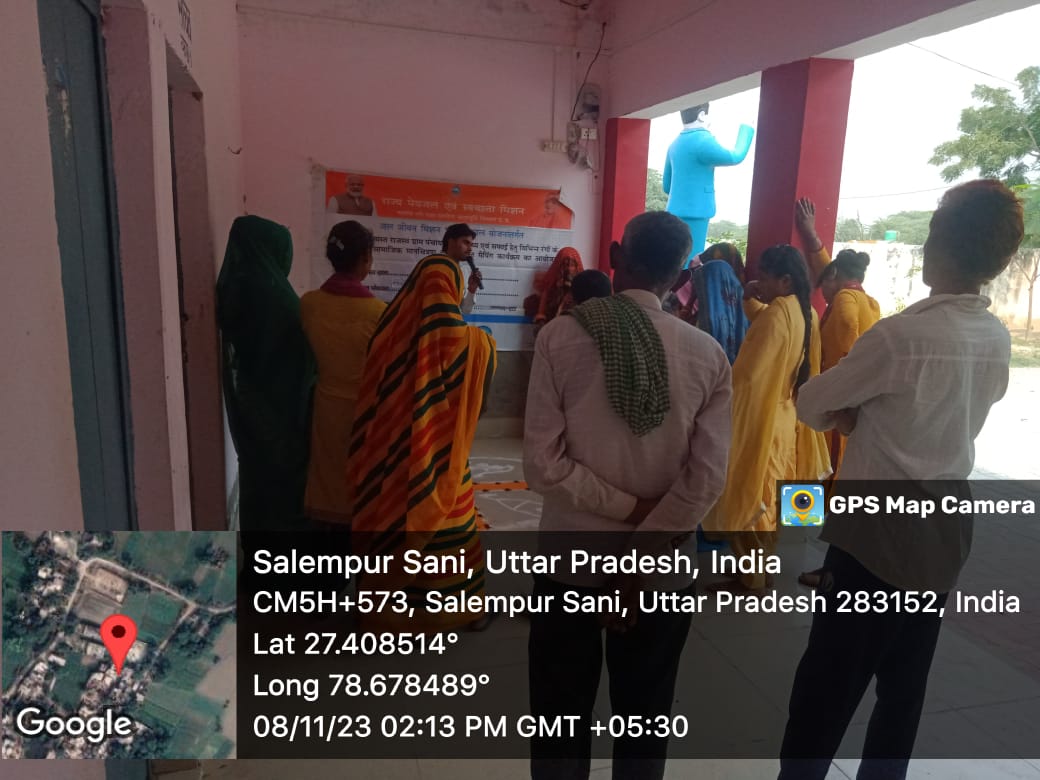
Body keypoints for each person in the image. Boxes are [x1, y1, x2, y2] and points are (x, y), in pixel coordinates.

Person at [779, 180, 1025, 780]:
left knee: (827, 687)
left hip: (876, 535)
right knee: (903, 689)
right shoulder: (994, 337)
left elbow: (811, 402)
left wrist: (855, 415)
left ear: (937, 242)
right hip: (944, 530)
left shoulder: (900, 336)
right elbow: (963, 410)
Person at [524, 211, 733, 780]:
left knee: (558, 717)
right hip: (662, 574)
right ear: (682, 273)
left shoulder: (560, 337)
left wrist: (626, 512)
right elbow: (707, 479)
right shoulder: (708, 355)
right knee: (645, 718)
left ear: (616, 257)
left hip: (569, 564)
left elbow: (542, 465)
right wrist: (641, 554)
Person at [344, 225, 497, 632]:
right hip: (437, 444)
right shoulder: (456, 338)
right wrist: (483, 342)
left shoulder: (390, 328)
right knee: (446, 513)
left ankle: (387, 606)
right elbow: (463, 352)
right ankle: (456, 609)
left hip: (391, 443)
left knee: (395, 509)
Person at [702, 244, 831, 593]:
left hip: (764, 420)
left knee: (750, 494)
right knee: (770, 498)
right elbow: (771, 325)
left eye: (765, 276)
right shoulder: (804, 311)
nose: (759, 281)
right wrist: (749, 300)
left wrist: (720, 409)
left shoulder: (778, 314)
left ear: (785, 280)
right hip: (787, 419)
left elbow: (747, 377)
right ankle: (762, 570)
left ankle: (753, 580)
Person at [216, 215, 315, 531]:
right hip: (282, 410)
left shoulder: (234, 289)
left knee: (256, 479)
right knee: (285, 491)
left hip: (248, 402)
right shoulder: (277, 299)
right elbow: (301, 360)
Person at [300, 221, 387, 525]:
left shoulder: (309, 304)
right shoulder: (379, 312)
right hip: (367, 411)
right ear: (365, 259)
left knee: (326, 477)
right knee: (361, 480)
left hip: (325, 406)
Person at [664, 103, 754, 262]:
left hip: (674, 209)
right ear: (701, 115)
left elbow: (666, 185)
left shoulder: (674, 144)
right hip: (697, 210)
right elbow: (734, 157)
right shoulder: (703, 140)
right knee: (692, 258)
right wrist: (747, 128)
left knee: (675, 256)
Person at [527, 247, 584, 326]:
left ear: (577, 267)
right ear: (559, 266)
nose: (568, 269)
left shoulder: (582, 286)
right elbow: (542, 310)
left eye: (572, 265)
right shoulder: (551, 284)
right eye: (565, 265)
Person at [438, 223, 483, 314]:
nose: (470, 249)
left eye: (471, 245)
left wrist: (471, 290)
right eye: (466, 243)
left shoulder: (463, 271)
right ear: (451, 242)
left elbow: (465, 310)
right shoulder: (435, 267)